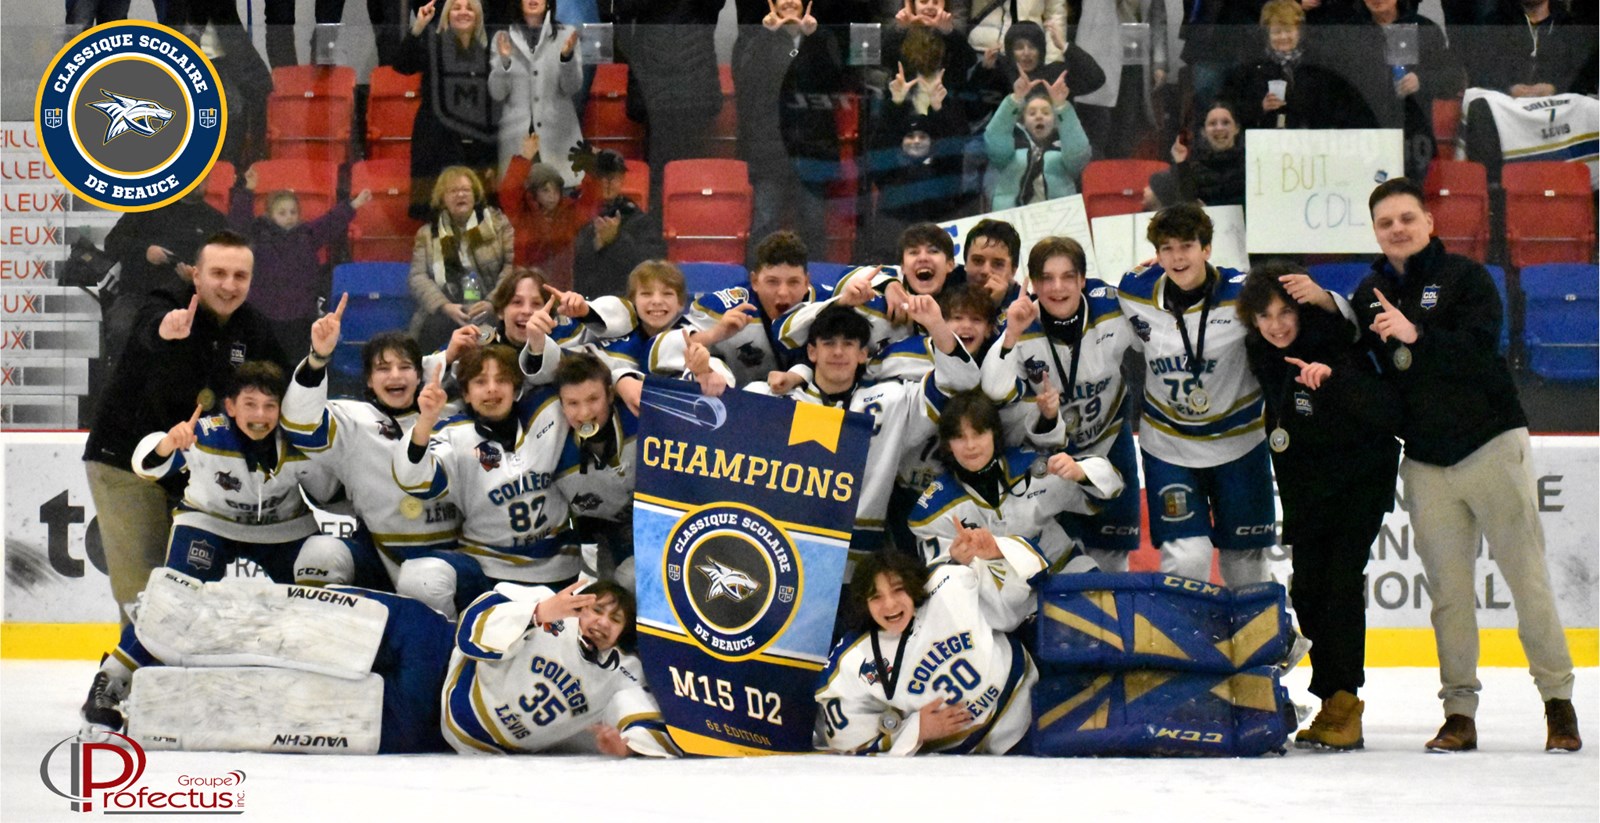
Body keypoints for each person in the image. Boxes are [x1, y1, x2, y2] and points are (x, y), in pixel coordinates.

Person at [1351, 177, 1579, 753]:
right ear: (1375, 233)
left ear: (1429, 222)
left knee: (1526, 579)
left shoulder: (1468, 278)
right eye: (1385, 223)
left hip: (1490, 444)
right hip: (1426, 462)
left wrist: (1415, 334)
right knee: (1449, 595)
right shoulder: (1369, 290)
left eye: (1406, 218)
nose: (1397, 229)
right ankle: (1459, 713)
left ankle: (1559, 706)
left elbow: (1480, 355)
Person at [80, 572, 678, 757]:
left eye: (613, 619)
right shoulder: (542, 605)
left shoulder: (615, 679)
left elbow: (648, 720)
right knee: (289, 622)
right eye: (593, 607)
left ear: (625, 634)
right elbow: (473, 633)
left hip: (422, 729)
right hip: (425, 645)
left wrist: (630, 745)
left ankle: (149, 710)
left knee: (268, 707)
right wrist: (539, 609)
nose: (598, 621)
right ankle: (134, 650)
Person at [82, 230, 288, 625]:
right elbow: (147, 327)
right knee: (142, 588)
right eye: (218, 273)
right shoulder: (167, 304)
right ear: (195, 275)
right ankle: (128, 678)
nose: (229, 285)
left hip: (190, 471)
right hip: (125, 462)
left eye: (240, 276)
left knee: (185, 587)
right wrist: (166, 328)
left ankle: (175, 678)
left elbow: (283, 391)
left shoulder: (254, 328)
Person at [1237, 260, 1401, 750]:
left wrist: (1335, 377)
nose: (1277, 324)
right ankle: (1331, 697)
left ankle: (1345, 700)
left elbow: (1383, 406)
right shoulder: (1260, 350)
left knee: (1338, 584)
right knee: (1306, 590)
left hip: (1358, 481)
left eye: (1285, 311)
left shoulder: (1333, 335)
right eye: (1265, 316)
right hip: (1306, 486)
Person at [1115, 204, 1276, 587]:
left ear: (1206, 249)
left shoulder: (1244, 294)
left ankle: (1256, 645)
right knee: (1186, 556)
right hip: (1169, 447)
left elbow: (1289, 320)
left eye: (1186, 246)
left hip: (1240, 445)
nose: (1177, 257)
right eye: (1166, 248)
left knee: (1245, 562)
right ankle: (1189, 646)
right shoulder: (1134, 291)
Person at [750, 301, 978, 556]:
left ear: (862, 354)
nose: (838, 352)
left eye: (848, 344)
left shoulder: (891, 400)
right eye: (829, 343)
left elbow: (961, 383)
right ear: (812, 352)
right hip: (779, 550)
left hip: (857, 559)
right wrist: (708, 373)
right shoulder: (774, 399)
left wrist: (936, 324)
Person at [981, 236, 1143, 571]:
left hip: (1109, 440)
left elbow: (1163, 320)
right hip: (1048, 453)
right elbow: (994, 390)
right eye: (1047, 279)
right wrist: (1011, 333)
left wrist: (1157, 273)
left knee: (1113, 557)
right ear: (1034, 283)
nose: (1058, 288)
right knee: (1066, 558)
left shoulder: (1113, 308)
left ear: (1083, 280)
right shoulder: (1018, 320)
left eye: (1068, 277)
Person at [392, 334, 570, 616]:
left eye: (501, 380)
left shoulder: (548, 412)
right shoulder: (452, 433)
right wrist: (425, 420)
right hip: (487, 570)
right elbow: (414, 480)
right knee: (421, 576)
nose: (491, 390)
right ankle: (448, 650)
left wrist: (539, 341)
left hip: (559, 570)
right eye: (480, 382)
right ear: (465, 393)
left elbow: (578, 374)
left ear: (517, 388)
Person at [282, 317, 462, 585]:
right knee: (320, 555)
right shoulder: (354, 420)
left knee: (427, 584)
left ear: (418, 375)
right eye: (383, 368)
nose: (395, 376)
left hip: (449, 558)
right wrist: (318, 358)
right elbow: (300, 423)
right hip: (377, 554)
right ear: (368, 379)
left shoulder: (451, 416)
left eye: (405, 367)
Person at [131, 361, 345, 585]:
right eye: (250, 404)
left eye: (270, 405)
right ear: (230, 406)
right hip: (208, 523)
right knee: (177, 599)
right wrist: (167, 443)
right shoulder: (204, 435)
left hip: (285, 529)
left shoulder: (299, 444)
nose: (260, 415)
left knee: (317, 594)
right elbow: (146, 468)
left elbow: (327, 495)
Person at [814, 548, 1041, 755]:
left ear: (912, 585)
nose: (890, 604)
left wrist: (994, 550)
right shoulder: (853, 660)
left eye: (898, 590)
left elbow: (1018, 599)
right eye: (876, 597)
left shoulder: (950, 584)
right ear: (863, 603)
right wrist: (915, 731)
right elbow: (846, 738)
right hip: (963, 756)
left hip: (1032, 706)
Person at [908, 391, 1123, 571]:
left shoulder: (1033, 467)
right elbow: (935, 581)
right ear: (947, 445)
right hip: (998, 602)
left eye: (979, 433)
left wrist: (1081, 472)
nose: (971, 445)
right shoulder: (933, 509)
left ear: (995, 434)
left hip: (1059, 572)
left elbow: (1107, 495)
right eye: (960, 437)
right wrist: (954, 562)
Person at [734, 0, 845, 259]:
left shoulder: (823, 37)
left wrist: (813, 38)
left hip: (812, 150)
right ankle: (757, 284)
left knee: (814, 226)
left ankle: (816, 291)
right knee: (765, 224)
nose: (789, 2)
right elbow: (744, 80)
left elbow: (836, 83)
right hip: (769, 151)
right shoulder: (756, 37)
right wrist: (765, 36)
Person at [231, 165, 372, 356]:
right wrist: (247, 190)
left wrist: (353, 204)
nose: (289, 217)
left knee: (295, 362)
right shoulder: (257, 234)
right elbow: (239, 224)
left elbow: (331, 221)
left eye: (293, 212)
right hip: (263, 313)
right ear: (269, 215)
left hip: (299, 315)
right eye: (282, 213)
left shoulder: (307, 234)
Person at [100, 182, 228, 374]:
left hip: (187, 300)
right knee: (121, 326)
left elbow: (224, 267)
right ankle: (125, 387)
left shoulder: (215, 220)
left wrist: (196, 277)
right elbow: (112, 243)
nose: (198, 185)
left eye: (204, 179)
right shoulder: (147, 207)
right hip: (138, 295)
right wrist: (145, 252)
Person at [674, 230, 821, 386]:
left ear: (807, 282)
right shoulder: (722, 309)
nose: (783, 293)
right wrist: (715, 333)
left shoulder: (827, 304)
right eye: (772, 282)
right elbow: (662, 349)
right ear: (755, 281)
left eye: (793, 282)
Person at [396, 0, 499, 219]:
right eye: (457, 7)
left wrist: (490, 158)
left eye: (469, 8)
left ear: (478, 16)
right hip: (436, 146)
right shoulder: (433, 43)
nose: (463, 12)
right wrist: (418, 27)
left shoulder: (488, 53)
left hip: (475, 150)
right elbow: (402, 65)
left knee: (475, 219)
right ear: (446, 15)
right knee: (437, 218)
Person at [551, 352, 640, 586]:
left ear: (610, 394)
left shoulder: (640, 419)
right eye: (572, 403)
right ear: (561, 405)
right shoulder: (554, 456)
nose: (584, 414)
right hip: (614, 542)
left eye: (593, 399)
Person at [408, 166, 515, 351]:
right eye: (453, 191)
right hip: (446, 310)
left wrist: (492, 302)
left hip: (491, 306)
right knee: (434, 332)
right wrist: (444, 306)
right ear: (442, 198)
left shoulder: (498, 224)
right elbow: (417, 276)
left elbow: (510, 267)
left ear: (475, 195)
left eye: (465, 190)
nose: (460, 195)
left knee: (494, 343)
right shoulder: (426, 234)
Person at [1221, 0, 1372, 131]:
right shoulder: (1251, 68)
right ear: (1267, 34)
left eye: (1288, 30)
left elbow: (1336, 106)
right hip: (1266, 143)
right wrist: (1260, 107)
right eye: (1276, 32)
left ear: (1299, 31)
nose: (1283, 37)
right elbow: (1230, 108)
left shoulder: (1319, 64)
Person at [489, 0, 585, 186]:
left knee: (561, 208)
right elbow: (497, 93)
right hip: (518, 142)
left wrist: (567, 58)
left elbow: (572, 87)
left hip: (559, 138)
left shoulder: (567, 34)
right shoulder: (502, 37)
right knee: (518, 205)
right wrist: (505, 62)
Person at [983, 70, 1091, 209]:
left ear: (1056, 121)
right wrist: (1014, 101)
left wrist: (1062, 108)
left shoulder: (1064, 151)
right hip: (1011, 220)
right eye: (1032, 113)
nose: (1039, 116)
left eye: (1046, 112)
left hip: (1058, 220)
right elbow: (995, 140)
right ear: (1023, 121)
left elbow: (1079, 156)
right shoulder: (1011, 149)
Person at [571, 150, 667, 300]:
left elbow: (653, 264)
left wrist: (617, 240)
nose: (608, 182)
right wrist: (595, 244)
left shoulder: (637, 219)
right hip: (582, 300)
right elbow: (564, 262)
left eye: (614, 177)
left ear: (622, 180)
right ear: (592, 179)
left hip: (624, 301)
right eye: (602, 177)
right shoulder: (574, 214)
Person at [499, 135, 589, 290]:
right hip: (526, 287)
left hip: (560, 290)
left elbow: (592, 201)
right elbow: (509, 193)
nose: (552, 196)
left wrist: (592, 169)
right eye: (545, 190)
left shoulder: (568, 213)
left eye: (556, 191)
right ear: (534, 192)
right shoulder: (522, 214)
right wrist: (524, 159)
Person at [1145, 100, 1246, 209]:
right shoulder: (1193, 167)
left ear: (1236, 128)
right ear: (1203, 132)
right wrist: (1180, 163)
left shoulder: (1250, 163)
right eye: (1212, 123)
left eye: (1226, 122)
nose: (1219, 128)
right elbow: (1184, 199)